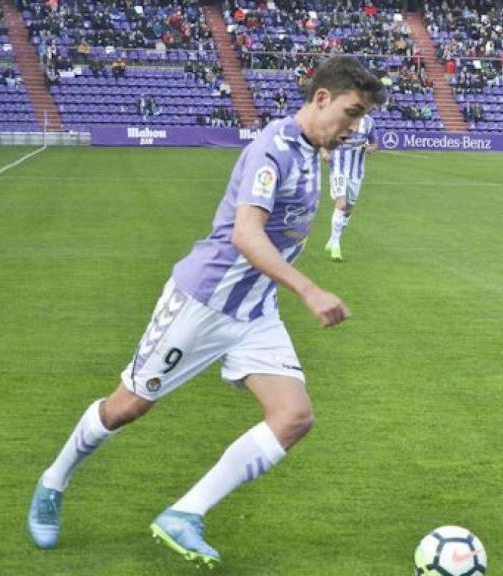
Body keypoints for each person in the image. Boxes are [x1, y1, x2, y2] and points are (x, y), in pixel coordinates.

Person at [27, 56, 385, 567]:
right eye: (350, 113)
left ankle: (184, 514)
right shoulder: (273, 150)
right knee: (126, 407)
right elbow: (245, 234)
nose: (353, 127)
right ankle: (53, 481)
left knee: (293, 416)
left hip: (254, 309)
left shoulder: (311, 148)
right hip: (203, 301)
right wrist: (309, 290)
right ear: (321, 98)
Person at [323, 114, 377, 261]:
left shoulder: (368, 122)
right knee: (341, 205)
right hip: (338, 170)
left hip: (356, 173)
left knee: (349, 208)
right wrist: (325, 153)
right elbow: (324, 141)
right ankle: (336, 246)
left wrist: (370, 149)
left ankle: (333, 239)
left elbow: (374, 143)